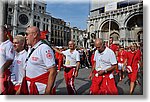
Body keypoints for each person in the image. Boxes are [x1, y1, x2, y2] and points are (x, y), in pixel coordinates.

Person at [21, 26, 57, 95]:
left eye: (27, 34)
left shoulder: (44, 48)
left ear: (34, 35)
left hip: (41, 89)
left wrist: (48, 91)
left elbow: (53, 70)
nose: (25, 37)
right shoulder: (30, 48)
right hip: (31, 87)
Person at [0, 26, 15, 94]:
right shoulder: (1, 44)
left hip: (4, 74)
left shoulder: (9, 45)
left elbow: (9, 60)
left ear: (5, 32)